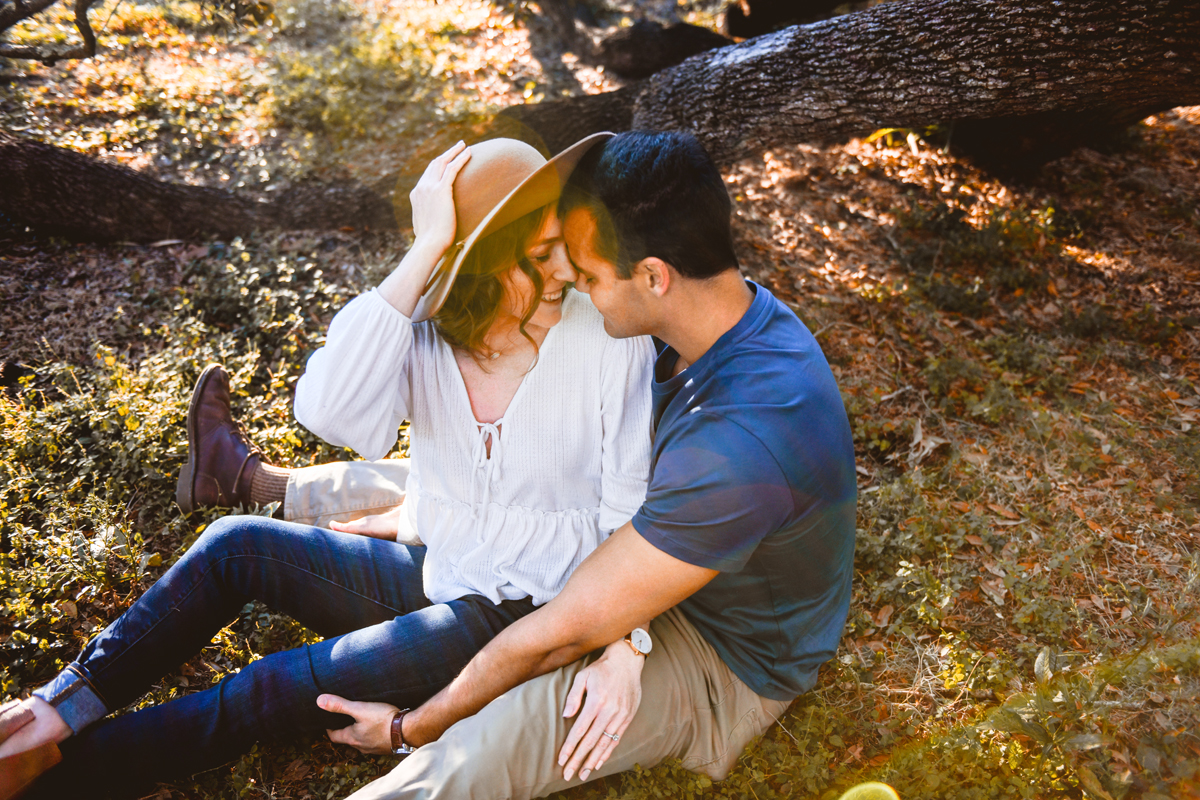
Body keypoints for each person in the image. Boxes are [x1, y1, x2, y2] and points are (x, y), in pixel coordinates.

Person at [0, 134, 655, 799]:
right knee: (236, 543)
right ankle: (56, 712)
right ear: (477, 264)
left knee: (275, 683)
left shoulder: (605, 338)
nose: (568, 273)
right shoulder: (425, 336)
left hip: (525, 620)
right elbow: (330, 411)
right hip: (439, 573)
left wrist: (624, 644)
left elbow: (632, 515)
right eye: (541, 257)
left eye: (563, 249)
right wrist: (426, 249)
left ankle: (58, 778)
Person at [314, 130, 858, 800]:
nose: (572, 285)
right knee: (499, 480)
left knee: (484, 749)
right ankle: (278, 486)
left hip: (718, 655)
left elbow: (560, 635)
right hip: (667, 556)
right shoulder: (717, 314)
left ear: (654, 275)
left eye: (591, 276)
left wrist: (411, 728)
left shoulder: (745, 437)